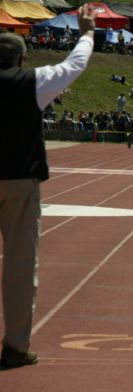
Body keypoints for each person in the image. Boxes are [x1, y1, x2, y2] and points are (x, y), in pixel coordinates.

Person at [0, 4, 96, 368]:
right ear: (23, 58)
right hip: (20, 181)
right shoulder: (31, 83)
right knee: (20, 267)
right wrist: (86, 32)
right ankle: (15, 345)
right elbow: (73, 66)